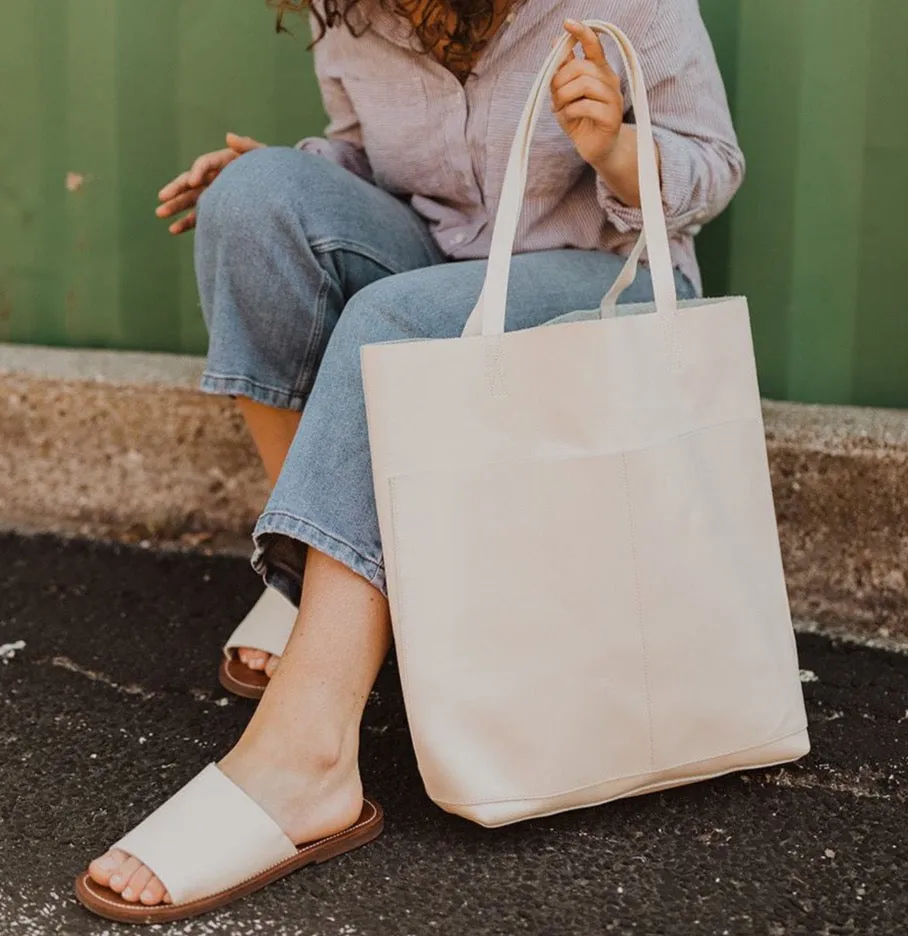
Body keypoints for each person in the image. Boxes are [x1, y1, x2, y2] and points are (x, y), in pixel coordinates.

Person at [77, 0, 744, 922]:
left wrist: (614, 146)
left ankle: (308, 756)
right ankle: (318, 584)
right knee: (254, 201)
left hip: (600, 277)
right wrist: (287, 174)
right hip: (438, 266)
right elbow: (372, 161)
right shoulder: (354, 12)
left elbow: (714, 167)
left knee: (393, 321)